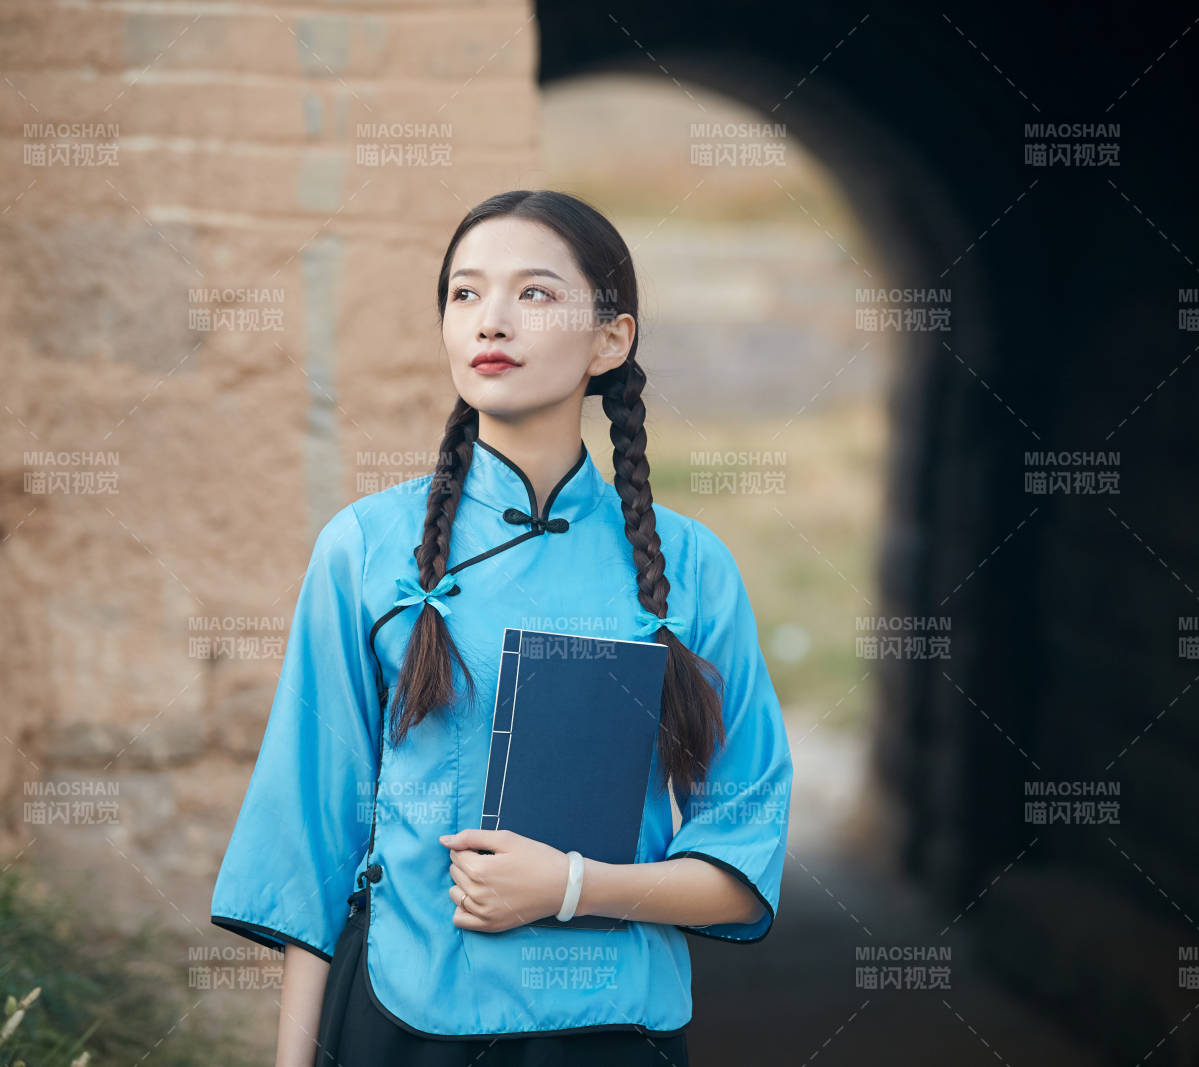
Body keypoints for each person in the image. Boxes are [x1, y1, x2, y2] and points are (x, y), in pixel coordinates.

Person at [210, 189, 794, 1067]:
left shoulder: (691, 567)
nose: (492, 321)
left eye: (535, 293)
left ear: (612, 340)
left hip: (613, 1032)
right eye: (465, 294)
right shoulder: (366, 550)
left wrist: (569, 886)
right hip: (405, 1020)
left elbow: (742, 866)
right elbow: (309, 843)